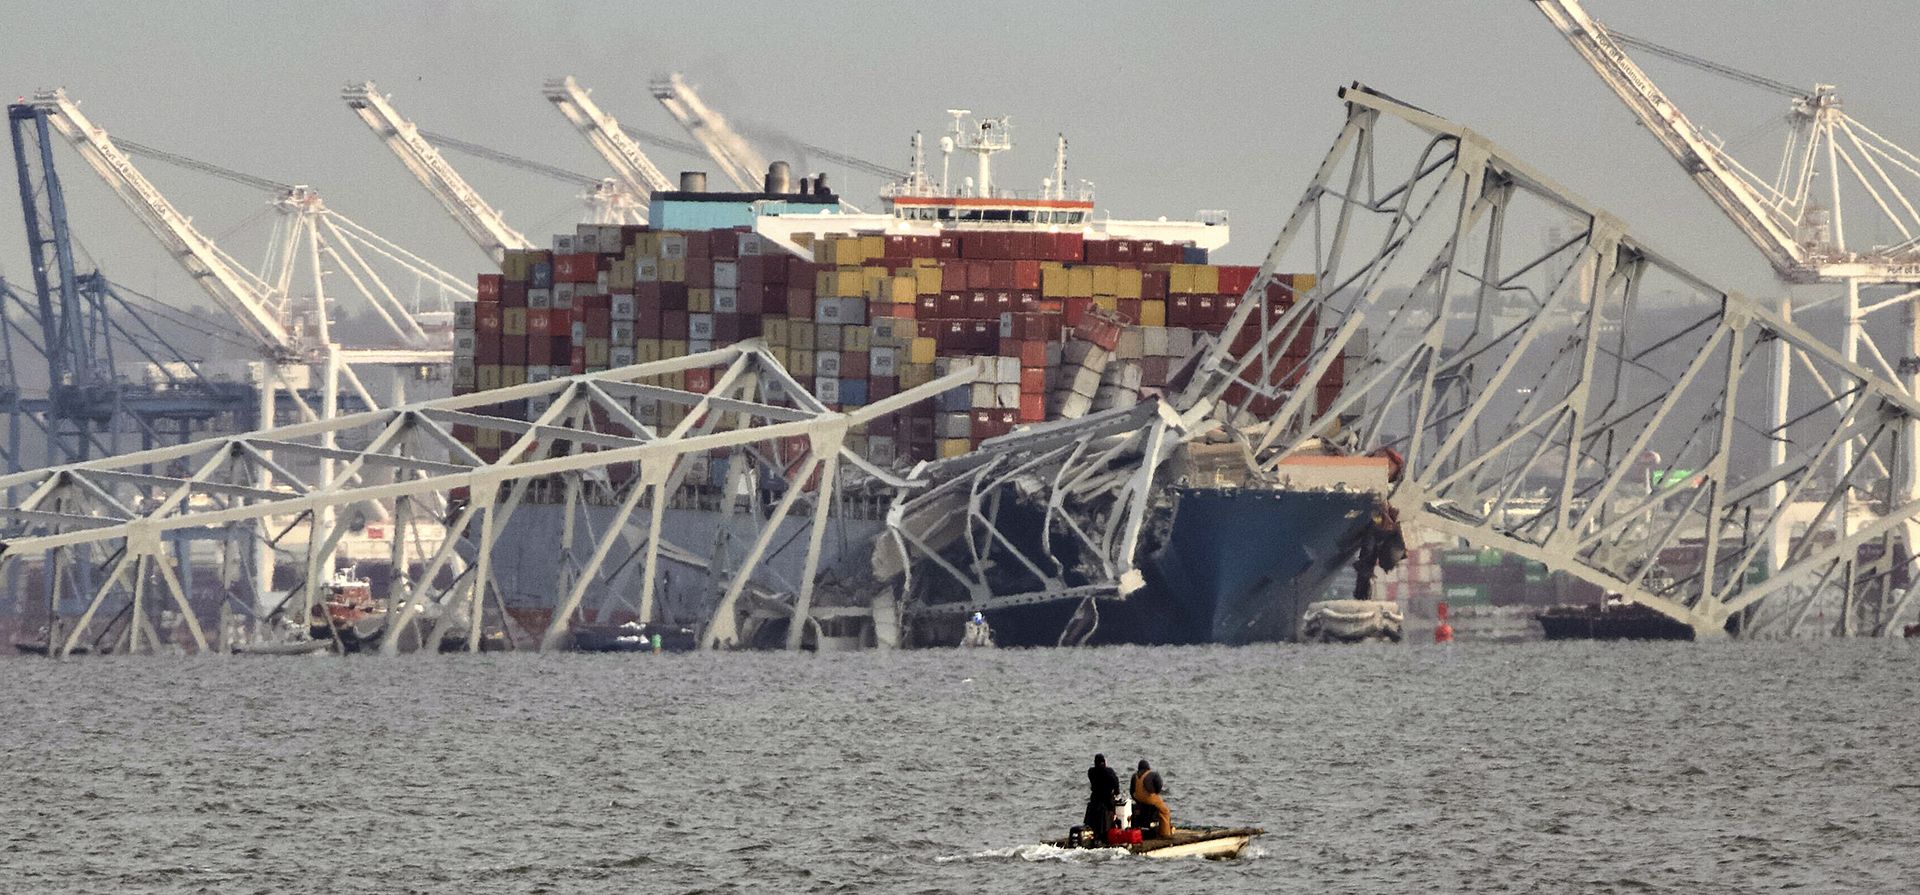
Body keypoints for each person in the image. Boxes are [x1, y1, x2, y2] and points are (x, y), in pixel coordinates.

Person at [1131, 759, 1172, 838]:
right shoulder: (1152, 774)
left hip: (1138, 799)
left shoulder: (1135, 776)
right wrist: (1155, 792)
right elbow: (1159, 786)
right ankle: (1165, 833)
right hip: (1149, 799)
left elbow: (1131, 791)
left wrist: (1137, 800)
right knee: (1165, 811)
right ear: (1148, 767)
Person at [1084, 754, 1121, 838]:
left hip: (1095, 798)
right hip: (1107, 800)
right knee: (1112, 810)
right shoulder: (1109, 771)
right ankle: (1110, 828)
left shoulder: (1091, 772)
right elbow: (1115, 782)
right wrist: (1116, 792)